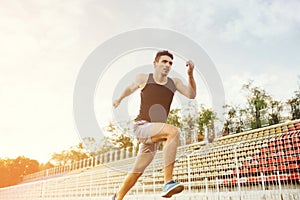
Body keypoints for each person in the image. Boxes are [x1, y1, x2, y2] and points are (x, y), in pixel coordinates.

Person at [112, 50, 196, 199]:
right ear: (155, 63)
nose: (167, 65)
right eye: (164, 61)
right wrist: (118, 99)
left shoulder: (174, 82)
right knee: (173, 132)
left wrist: (190, 75)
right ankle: (167, 182)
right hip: (142, 126)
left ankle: (117, 197)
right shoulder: (144, 78)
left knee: (137, 171)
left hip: (155, 132)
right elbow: (129, 88)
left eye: (170, 63)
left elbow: (191, 94)